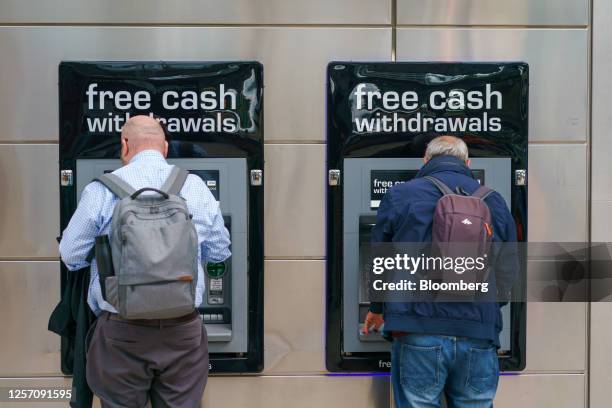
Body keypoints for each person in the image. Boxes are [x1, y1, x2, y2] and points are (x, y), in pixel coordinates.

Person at [59, 115, 231, 408]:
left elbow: (72, 256)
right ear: (164, 148)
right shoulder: (196, 188)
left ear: (124, 144)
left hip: (121, 334)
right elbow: (220, 252)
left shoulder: (100, 191)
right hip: (183, 333)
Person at [363, 135, 518, 407]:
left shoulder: (401, 194)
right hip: (478, 333)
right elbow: (509, 270)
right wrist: (487, 304)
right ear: (468, 162)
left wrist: (377, 307)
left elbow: (380, 258)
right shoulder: (494, 201)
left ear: (425, 160)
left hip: (417, 329)